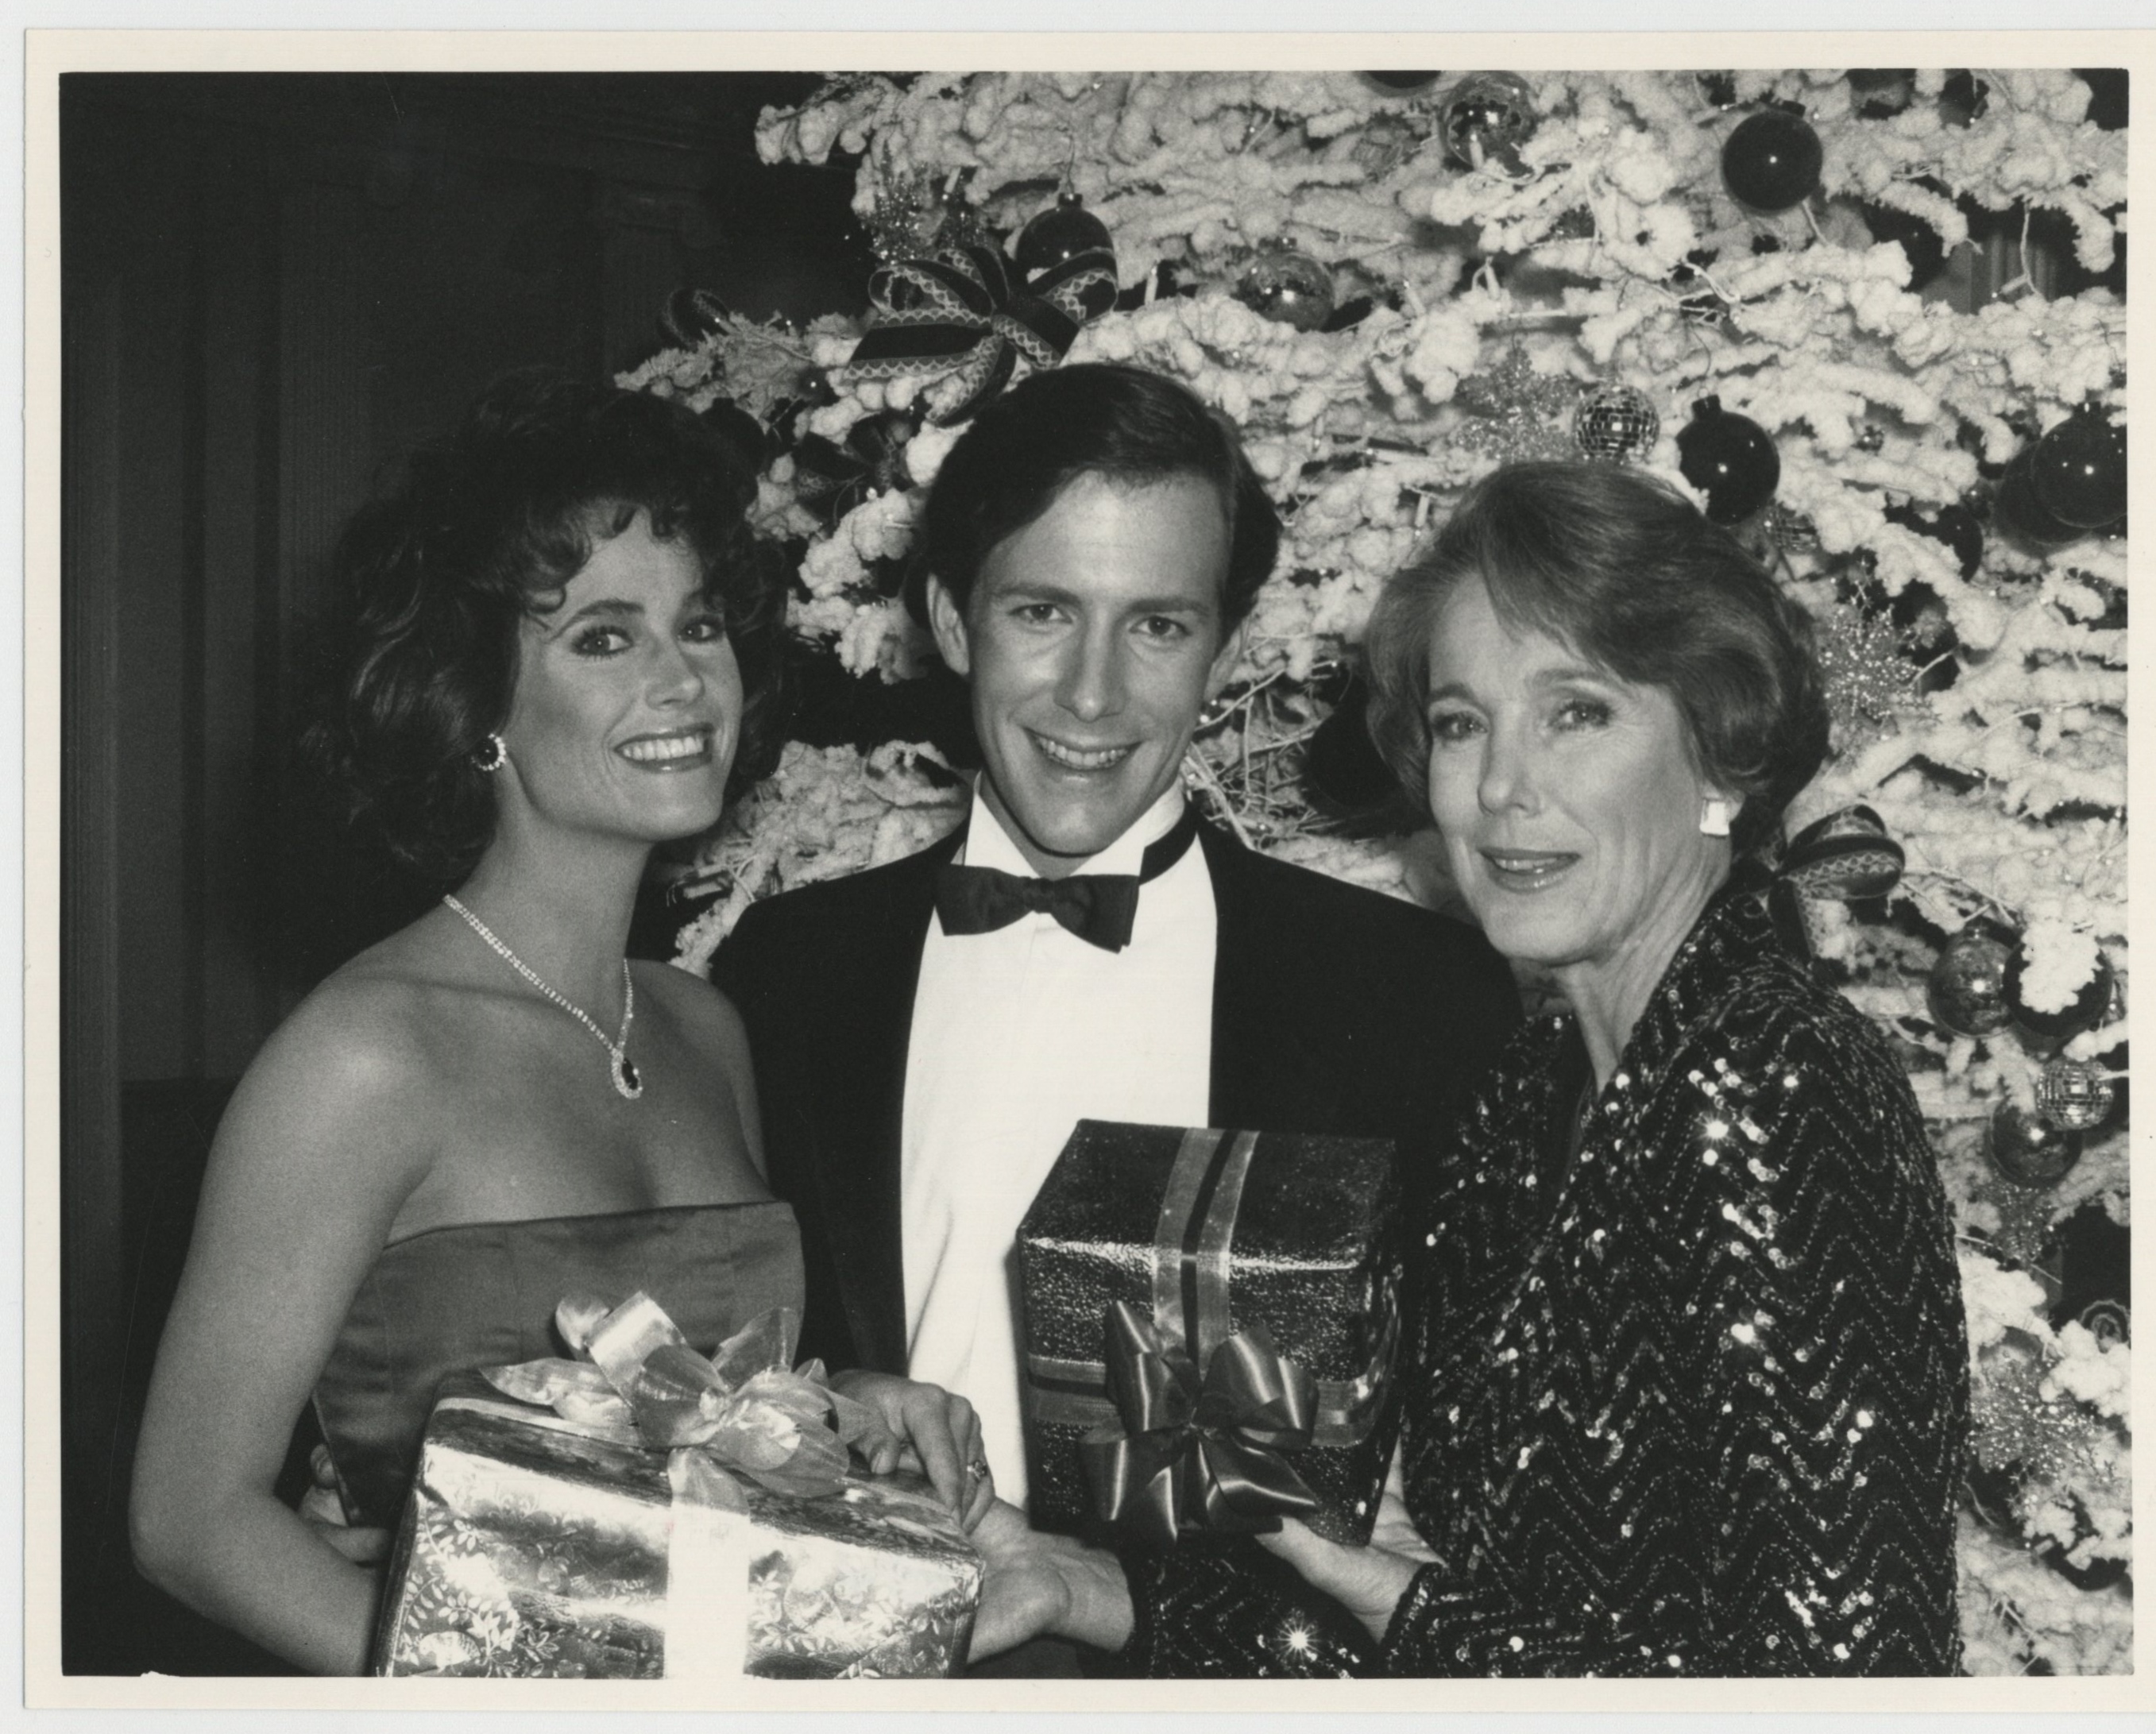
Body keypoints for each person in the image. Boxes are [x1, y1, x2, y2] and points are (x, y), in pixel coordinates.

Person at [969, 460, 1970, 1676]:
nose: (1500, 787)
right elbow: (1456, 1601)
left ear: (1720, 753)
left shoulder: (1774, 1078)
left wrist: (1412, 1608)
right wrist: (1085, 1586)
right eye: (1460, 723)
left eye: (1575, 712)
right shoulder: (1537, 1080)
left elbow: (1851, 1670)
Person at [129, 369, 987, 1676]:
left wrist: (838, 1406)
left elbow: (703, 1405)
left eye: (698, 625)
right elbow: (187, 1520)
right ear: (474, 704)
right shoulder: (365, 1056)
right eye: (601, 637)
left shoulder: (705, 1025)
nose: (683, 679)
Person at [713, 365, 1522, 1668]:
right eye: (1043, 611)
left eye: (1155, 626)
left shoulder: (1415, 995)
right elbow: (716, 1356)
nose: (1092, 695)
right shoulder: (787, 976)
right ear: (953, 623)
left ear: (1224, 643)